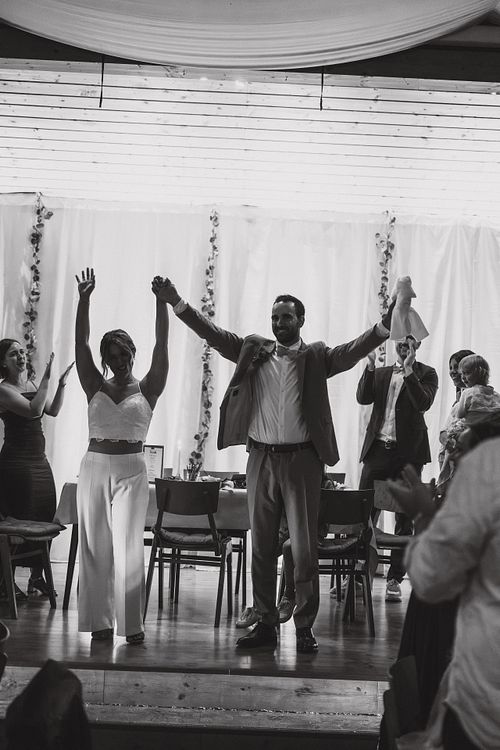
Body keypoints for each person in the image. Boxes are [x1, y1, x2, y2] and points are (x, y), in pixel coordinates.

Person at [162, 280, 393, 653]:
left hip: (303, 461)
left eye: (286, 317)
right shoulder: (253, 349)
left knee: (304, 548)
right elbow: (214, 335)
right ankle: (266, 623)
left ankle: (303, 626)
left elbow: (350, 352)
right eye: (274, 317)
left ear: (301, 319)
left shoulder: (316, 355)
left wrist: (383, 327)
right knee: (262, 546)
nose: (279, 323)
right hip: (261, 458)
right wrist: (177, 302)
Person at [386, 417, 500, 750]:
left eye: (460, 449)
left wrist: (423, 516)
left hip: (485, 704)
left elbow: (433, 577)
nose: (454, 456)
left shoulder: (488, 465)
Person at [74, 268, 169, 644]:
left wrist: (161, 303)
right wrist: (84, 301)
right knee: (94, 545)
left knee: (130, 547)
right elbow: (81, 343)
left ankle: (132, 626)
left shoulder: (149, 387)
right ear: (105, 359)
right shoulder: (93, 384)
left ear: (132, 351)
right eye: (112, 356)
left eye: (124, 353)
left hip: (132, 468)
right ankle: (99, 622)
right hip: (94, 466)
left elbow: (162, 344)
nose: (119, 360)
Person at [357, 335, 438, 602]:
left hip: (408, 455)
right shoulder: (381, 372)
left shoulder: (427, 373)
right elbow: (362, 397)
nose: (404, 343)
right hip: (377, 451)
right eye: (400, 339)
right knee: (364, 515)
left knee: (404, 520)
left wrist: (409, 369)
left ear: (418, 345)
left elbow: (423, 403)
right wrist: (370, 366)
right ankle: (359, 575)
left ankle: (394, 578)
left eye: (410, 340)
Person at [0, 339, 73, 598]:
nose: (20, 356)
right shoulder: (3, 390)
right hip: (17, 464)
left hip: (38, 462)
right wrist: (47, 377)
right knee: (18, 520)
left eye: (22, 351)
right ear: (3, 362)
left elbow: (51, 410)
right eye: (13, 354)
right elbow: (33, 411)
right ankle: (6, 583)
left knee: (44, 514)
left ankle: (36, 578)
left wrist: (61, 384)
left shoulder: (31, 385)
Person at [436, 348, 474, 488]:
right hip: (447, 459)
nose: (452, 372)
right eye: (450, 367)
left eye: (456, 367)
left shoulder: (478, 397)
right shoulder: (459, 398)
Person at [456, 353, 500, 424]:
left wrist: (459, 402)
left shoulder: (468, 393)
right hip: (492, 429)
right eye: (462, 374)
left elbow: (459, 415)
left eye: (467, 373)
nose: (463, 377)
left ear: (480, 373)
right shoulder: (497, 395)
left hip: (473, 428)